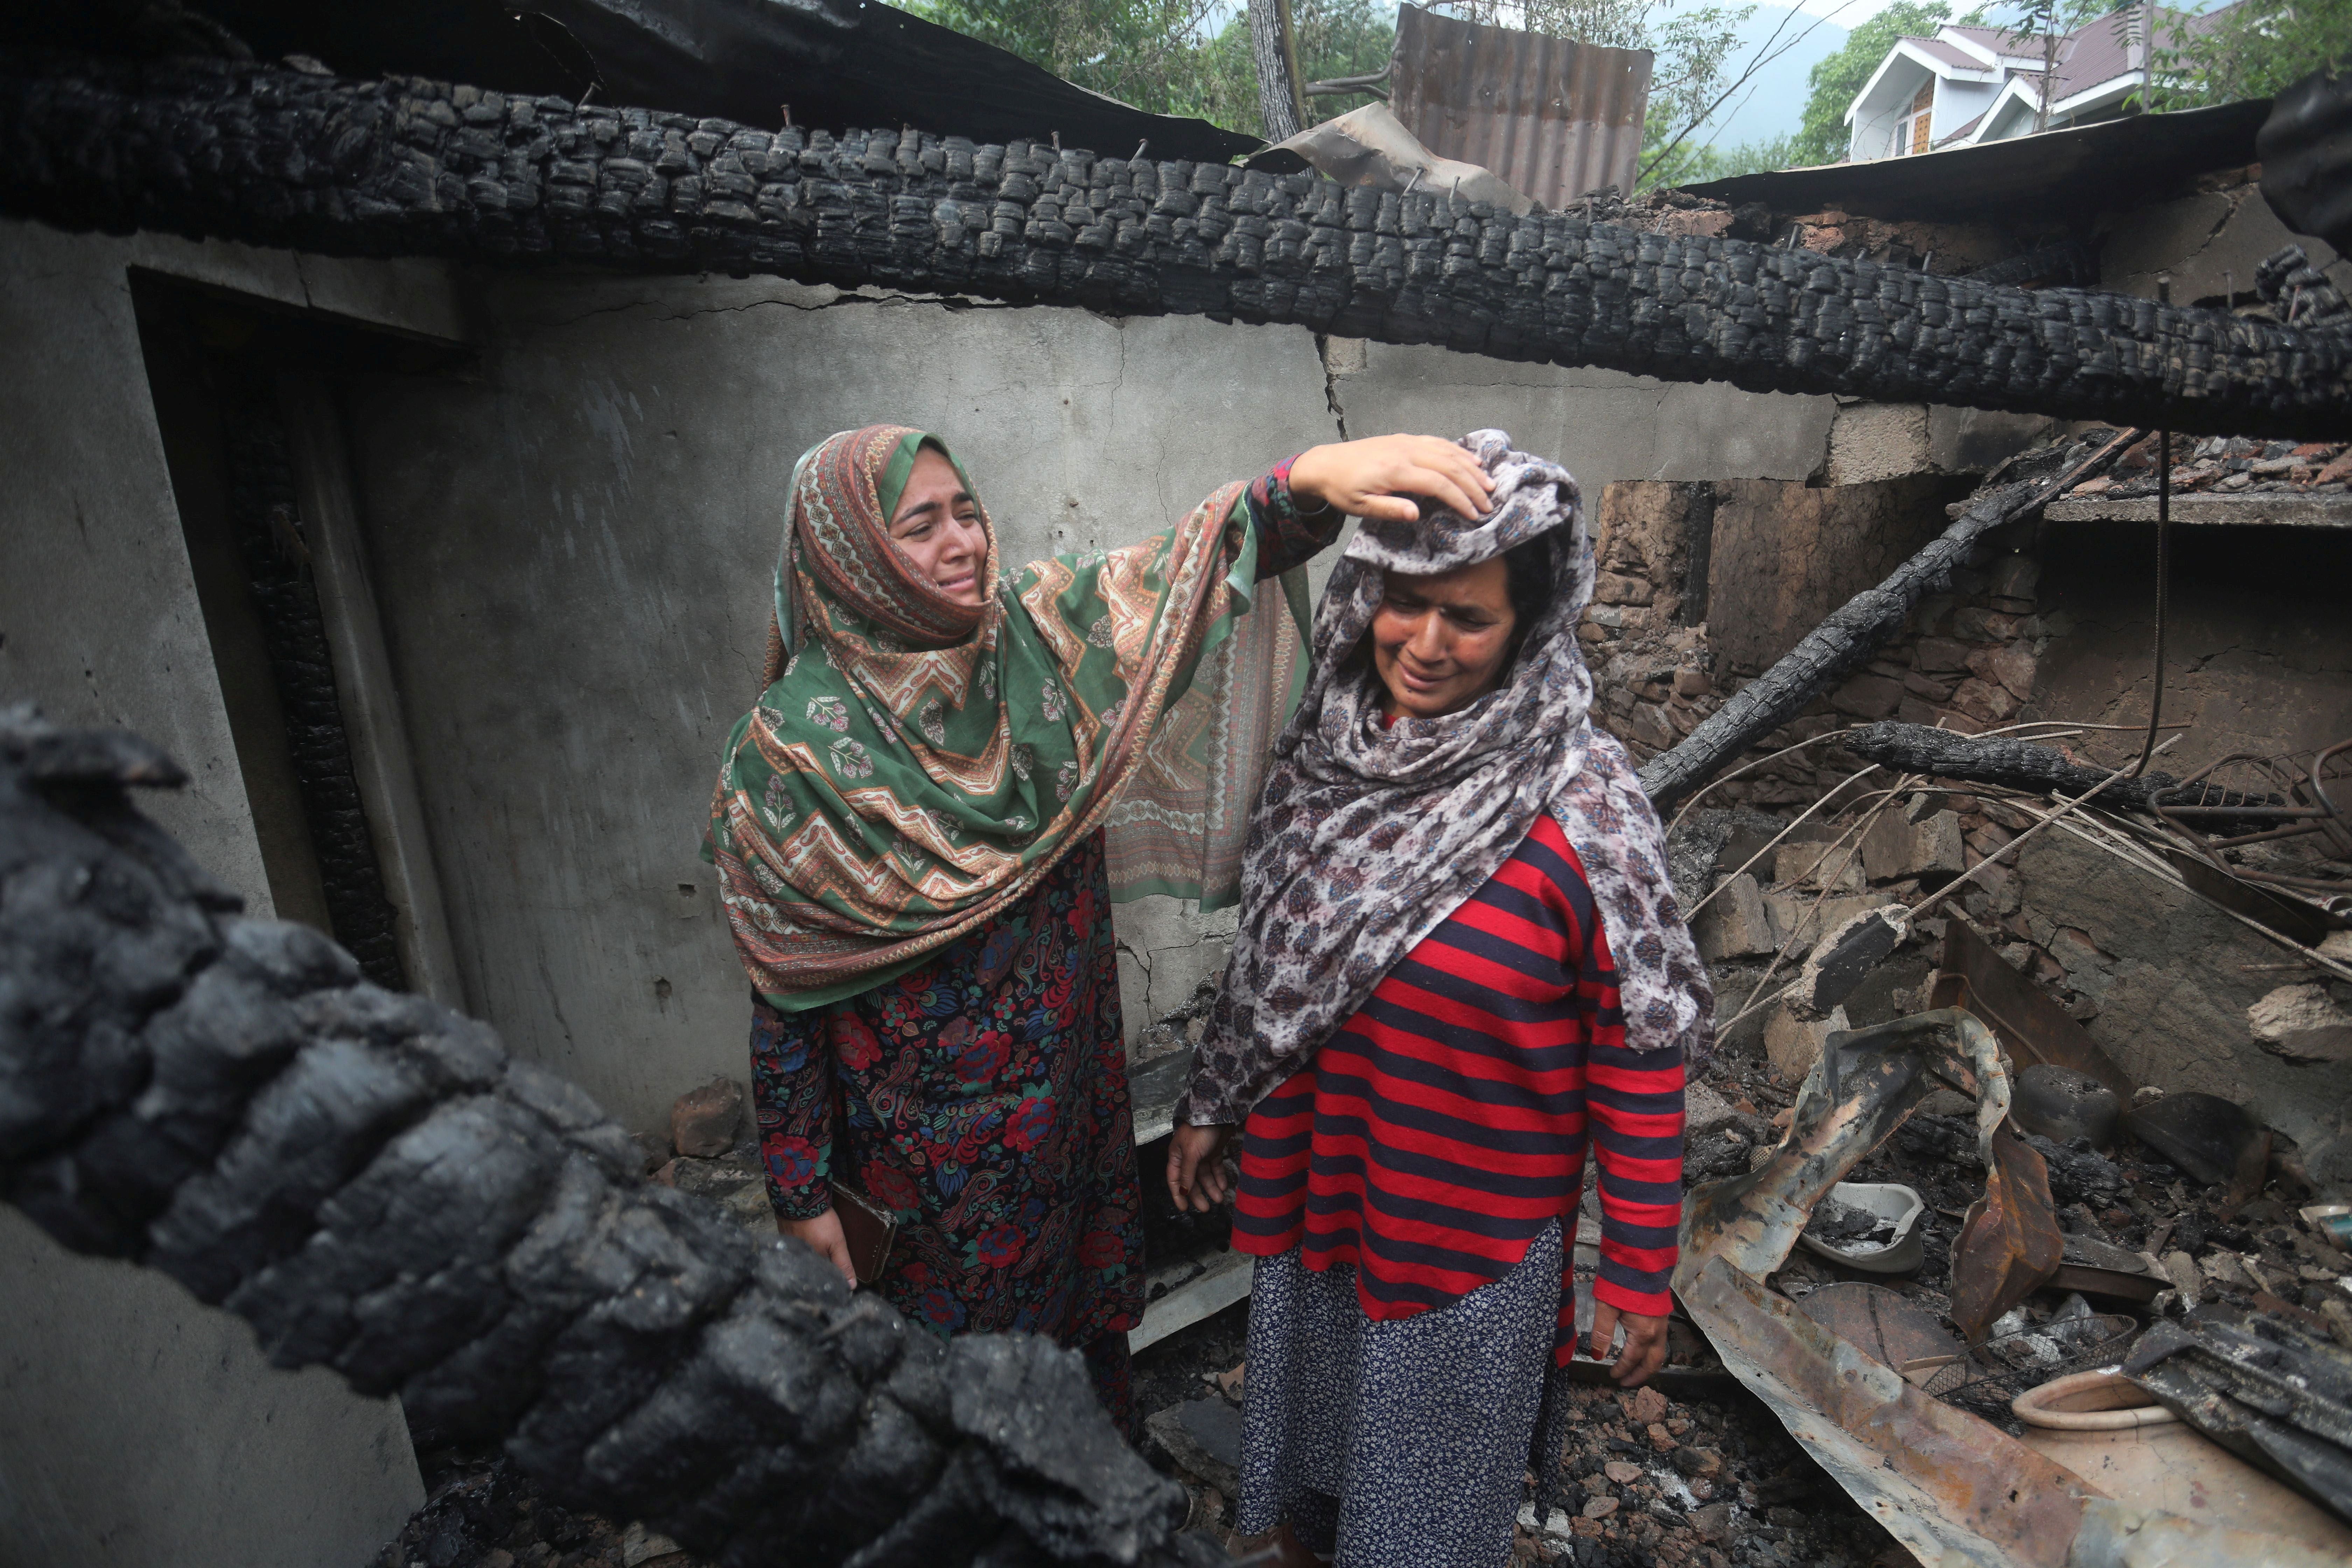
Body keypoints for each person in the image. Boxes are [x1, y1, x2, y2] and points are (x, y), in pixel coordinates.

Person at [707, 422, 1494, 1436]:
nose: (965, 544)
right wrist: (802, 1192)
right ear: (849, 556)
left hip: (1075, 1127)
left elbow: (1171, 583)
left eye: (968, 512)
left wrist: (1298, 490)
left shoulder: (1035, 646)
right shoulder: (789, 760)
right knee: (957, 1416)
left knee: (1084, 1354)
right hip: (930, 1178)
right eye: (919, 527)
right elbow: (787, 993)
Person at [1166, 430, 1714, 1565]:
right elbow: (1276, 962)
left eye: (1468, 618)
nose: (1422, 644)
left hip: (1463, 1248)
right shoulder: (1332, 747)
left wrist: (1639, 1270)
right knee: (1315, 1483)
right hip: (1322, 1202)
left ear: (1531, 625)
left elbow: (1641, 1047)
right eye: (1403, 602)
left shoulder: (1583, 805)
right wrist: (1218, 1095)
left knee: (1421, 1528)